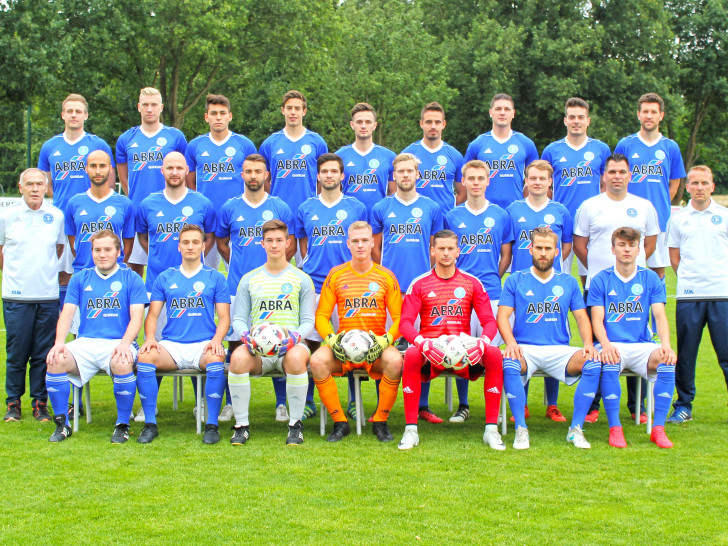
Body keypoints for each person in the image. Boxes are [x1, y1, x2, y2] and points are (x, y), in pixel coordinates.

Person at [397, 229, 505, 450]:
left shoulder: (471, 283)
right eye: (441, 249)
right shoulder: (420, 283)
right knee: (410, 353)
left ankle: (491, 429)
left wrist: (482, 342)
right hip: (431, 350)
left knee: (493, 353)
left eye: (450, 249)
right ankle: (411, 430)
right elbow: (405, 323)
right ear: (433, 251)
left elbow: (489, 321)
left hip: (462, 350)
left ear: (458, 252)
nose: (446, 253)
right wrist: (422, 343)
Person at [573, 153, 660, 422]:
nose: (617, 176)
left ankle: (637, 406)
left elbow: (649, 244)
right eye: (612, 172)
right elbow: (579, 244)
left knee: (637, 340)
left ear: (629, 175)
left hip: (634, 289)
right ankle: (594, 404)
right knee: (599, 343)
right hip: (600, 287)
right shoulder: (589, 205)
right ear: (604, 175)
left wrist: (629, 270)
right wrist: (599, 274)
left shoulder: (644, 206)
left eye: (622, 172)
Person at [498, 227, 601, 449]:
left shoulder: (568, 281)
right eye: (538, 248)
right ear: (530, 249)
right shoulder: (516, 280)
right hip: (525, 349)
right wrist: (511, 343)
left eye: (547, 249)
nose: (543, 253)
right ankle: (520, 429)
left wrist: (588, 344)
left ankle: (575, 429)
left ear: (556, 252)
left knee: (593, 361)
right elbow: (503, 315)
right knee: (509, 361)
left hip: (559, 349)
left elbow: (582, 318)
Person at [134, 152, 216, 423]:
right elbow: (144, 238)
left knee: (196, 340)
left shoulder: (201, 202)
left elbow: (211, 237)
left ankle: (201, 404)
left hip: (195, 287)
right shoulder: (148, 203)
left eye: (179, 167)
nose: (174, 172)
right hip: (158, 284)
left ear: (187, 170)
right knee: (152, 345)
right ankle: (149, 406)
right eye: (169, 167)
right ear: (162, 170)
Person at [44, 230, 147, 443]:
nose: (102, 254)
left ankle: (122, 425)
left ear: (119, 252)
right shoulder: (81, 278)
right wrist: (59, 343)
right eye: (97, 250)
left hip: (119, 342)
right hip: (86, 343)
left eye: (108, 249)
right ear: (91, 252)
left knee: (121, 361)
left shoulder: (131, 278)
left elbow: (137, 318)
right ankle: (63, 423)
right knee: (55, 360)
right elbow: (67, 313)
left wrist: (125, 344)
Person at [216, 153, 295, 422]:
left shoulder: (279, 206)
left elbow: (289, 243)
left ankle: (282, 403)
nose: (253, 176)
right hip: (239, 287)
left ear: (266, 175)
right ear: (242, 175)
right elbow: (223, 243)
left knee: (278, 339)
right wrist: (241, 268)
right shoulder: (229, 207)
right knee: (235, 343)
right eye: (248, 171)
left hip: (273, 288)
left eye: (258, 171)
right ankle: (230, 402)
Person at [135, 224, 231, 444]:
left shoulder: (215, 278)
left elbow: (224, 318)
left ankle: (212, 425)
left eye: (195, 242)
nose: (190, 247)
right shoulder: (165, 277)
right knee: (145, 358)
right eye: (186, 242)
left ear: (204, 246)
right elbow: (152, 316)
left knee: (216, 360)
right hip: (172, 345)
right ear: (178, 246)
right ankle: (150, 424)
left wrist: (217, 341)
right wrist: (150, 339)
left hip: (204, 344)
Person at [310, 221, 402, 442]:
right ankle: (340, 422)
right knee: (317, 361)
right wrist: (332, 340)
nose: (360, 245)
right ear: (348, 244)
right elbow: (321, 315)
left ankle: (380, 421)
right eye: (355, 241)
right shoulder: (336, 274)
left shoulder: (386, 276)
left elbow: (400, 318)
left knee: (396, 361)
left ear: (372, 243)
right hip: (343, 347)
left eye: (364, 241)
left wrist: (385, 340)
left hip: (375, 348)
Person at [228, 220, 316, 445]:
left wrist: (295, 338)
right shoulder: (249, 279)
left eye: (279, 240)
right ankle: (241, 425)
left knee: (297, 358)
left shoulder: (302, 279)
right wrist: (245, 336)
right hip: (258, 350)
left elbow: (308, 321)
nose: (274, 245)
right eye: (269, 241)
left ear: (288, 243)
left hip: (290, 347)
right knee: (237, 358)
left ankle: (295, 425)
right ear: (262, 243)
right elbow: (238, 318)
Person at [371, 153, 444, 423]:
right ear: (394, 175)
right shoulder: (381, 208)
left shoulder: (431, 208)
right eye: (400, 171)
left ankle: (422, 405)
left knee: (421, 347)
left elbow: (434, 247)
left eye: (409, 171)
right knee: (384, 346)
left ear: (417, 175)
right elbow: (375, 247)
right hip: (390, 290)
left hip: (422, 290)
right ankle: (383, 406)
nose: (404, 176)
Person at [588, 227, 676, 448]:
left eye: (631, 245)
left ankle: (659, 429)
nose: (626, 249)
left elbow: (659, 315)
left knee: (666, 362)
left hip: (642, 345)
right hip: (611, 344)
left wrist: (666, 345)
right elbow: (596, 320)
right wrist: (605, 345)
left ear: (639, 249)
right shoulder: (601, 279)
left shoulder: (650, 278)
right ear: (613, 248)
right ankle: (615, 428)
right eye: (621, 245)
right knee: (609, 363)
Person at [296, 153, 367, 418]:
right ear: (317, 175)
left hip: (349, 287)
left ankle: (352, 400)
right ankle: (309, 401)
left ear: (342, 176)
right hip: (315, 285)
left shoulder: (355, 207)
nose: (329, 175)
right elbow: (303, 244)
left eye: (333, 171)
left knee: (354, 342)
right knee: (313, 344)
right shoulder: (306, 207)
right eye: (324, 171)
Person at [444, 160, 512, 423]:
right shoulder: (452, 215)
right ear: (463, 181)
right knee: (460, 351)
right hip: (459, 296)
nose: (475, 183)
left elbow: (506, 255)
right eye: (470, 178)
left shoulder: (501, 215)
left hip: (491, 294)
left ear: (488, 181)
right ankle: (463, 405)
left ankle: (492, 410)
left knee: (489, 355)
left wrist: (493, 277)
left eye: (480, 178)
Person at [506, 159, 573, 421]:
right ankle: (521, 404)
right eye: (532, 178)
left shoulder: (560, 211)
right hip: (522, 286)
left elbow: (565, 246)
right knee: (521, 341)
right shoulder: (513, 210)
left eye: (542, 178)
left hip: (553, 285)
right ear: (525, 180)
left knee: (554, 339)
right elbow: (508, 247)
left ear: (550, 182)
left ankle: (552, 404)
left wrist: (551, 267)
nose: (536, 182)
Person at [666, 165, 728, 424]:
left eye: (704, 183)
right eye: (694, 183)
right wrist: (692, 280)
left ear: (712, 186)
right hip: (689, 296)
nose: (699, 187)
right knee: (687, 354)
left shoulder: (724, 215)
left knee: (725, 355)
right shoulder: (678, 218)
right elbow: (674, 257)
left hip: (722, 295)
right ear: (687, 187)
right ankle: (683, 405)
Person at [1, 169, 64, 422]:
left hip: (47, 297)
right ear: (20, 187)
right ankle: (13, 404)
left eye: (39, 184)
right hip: (16, 297)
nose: (35, 188)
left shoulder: (56, 216)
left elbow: (58, 249)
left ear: (46, 187)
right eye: (30, 184)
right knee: (17, 353)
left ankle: (40, 403)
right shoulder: (7, 215)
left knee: (42, 354)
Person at [38, 94, 116, 298]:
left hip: (92, 219)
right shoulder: (49, 146)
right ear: (63, 115)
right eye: (70, 111)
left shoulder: (98, 144)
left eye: (78, 111)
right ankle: (66, 325)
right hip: (62, 219)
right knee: (63, 274)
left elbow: (109, 182)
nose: (74, 115)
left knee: (95, 271)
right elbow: (47, 183)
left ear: (86, 115)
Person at [614, 93, 686, 284]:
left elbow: (675, 183)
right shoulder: (625, 144)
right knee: (627, 270)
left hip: (659, 218)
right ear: (638, 114)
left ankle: (658, 315)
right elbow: (615, 178)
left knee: (657, 272)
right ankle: (634, 314)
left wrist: (656, 209)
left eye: (653, 112)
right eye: (645, 111)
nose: (649, 116)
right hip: (627, 217)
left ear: (661, 115)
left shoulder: (670, 147)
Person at [116, 87, 187, 276]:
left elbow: (182, 172)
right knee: (134, 267)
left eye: (154, 105)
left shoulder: (175, 137)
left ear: (161, 107)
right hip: (138, 210)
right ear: (139, 107)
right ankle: (140, 305)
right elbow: (124, 179)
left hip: (169, 211)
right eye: (145, 105)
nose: (149, 109)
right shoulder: (126, 139)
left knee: (172, 265)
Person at [541, 97, 611, 284]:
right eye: (572, 117)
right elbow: (545, 185)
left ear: (588, 120)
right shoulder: (552, 150)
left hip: (591, 221)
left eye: (581, 117)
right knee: (558, 274)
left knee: (591, 274)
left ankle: (592, 312)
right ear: (565, 121)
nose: (576, 121)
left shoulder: (601, 149)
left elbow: (606, 184)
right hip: (561, 221)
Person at [185, 94, 256, 269]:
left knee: (240, 273)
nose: (218, 117)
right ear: (206, 117)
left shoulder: (244, 144)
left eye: (222, 113)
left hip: (236, 219)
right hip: (206, 221)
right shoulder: (195, 146)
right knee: (204, 273)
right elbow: (190, 182)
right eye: (214, 113)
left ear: (230, 116)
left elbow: (254, 178)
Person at [259, 90, 328, 222]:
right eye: (289, 108)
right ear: (282, 110)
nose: (293, 112)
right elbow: (262, 177)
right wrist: (273, 197)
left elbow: (324, 178)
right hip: (278, 213)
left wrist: (315, 199)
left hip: (309, 211)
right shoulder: (270, 143)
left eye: (297, 108)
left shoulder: (317, 142)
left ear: (304, 111)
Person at [463, 93, 538, 209]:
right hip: (484, 211)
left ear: (513, 113)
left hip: (515, 211)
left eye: (507, 109)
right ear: (490, 112)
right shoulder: (477, 144)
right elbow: (465, 180)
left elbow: (535, 180)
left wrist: (523, 205)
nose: (502, 113)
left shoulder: (526, 144)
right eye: (498, 109)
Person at [65, 150, 134, 273]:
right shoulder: (74, 203)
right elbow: (73, 244)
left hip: (115, 274)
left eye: (102, 166)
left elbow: (128, 245)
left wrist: (114, 265)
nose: (98, 171)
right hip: (83, 273)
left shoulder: (125, 204)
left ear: (110, 169)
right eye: (93, 166)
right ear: (86, 169)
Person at [401, 102, 465, 212]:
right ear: (421, 124)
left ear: (444, 124)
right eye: (429, 122)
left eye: (437, 122)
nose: (433, 126)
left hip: (445, 222)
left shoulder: (455, 156)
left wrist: (451, 215)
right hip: (416, 220)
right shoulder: (408, 154)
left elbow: (463, 193)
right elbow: (399, 190)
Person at [336, 103, 396, 215]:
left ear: (375, 125)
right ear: (352, 125)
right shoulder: (339, 156)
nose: (363, 126)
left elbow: (393, 194)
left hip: (378, 221)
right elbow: (334, 193)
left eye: (368, 122)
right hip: (349, 220)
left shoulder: (389, 157)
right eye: (359, 122)